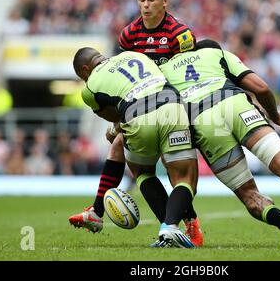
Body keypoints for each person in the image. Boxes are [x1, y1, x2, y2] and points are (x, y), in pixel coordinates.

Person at [157, 39, 280, 247]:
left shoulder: (163, 70)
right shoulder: (216, 54)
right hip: (235, 103)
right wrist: (274, 115)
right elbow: (261, 88)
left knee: (248, 194)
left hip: (203, 120)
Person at [69, 0, 203, 246]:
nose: (145, 5)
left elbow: (189, 75)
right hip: (144, 106)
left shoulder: (181, 34)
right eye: (141, 0)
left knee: (173, 169)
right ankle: (98, 211)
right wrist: (119, 124)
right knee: (119, 146)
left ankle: (188, 224)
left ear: (164, 1)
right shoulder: (129, 34)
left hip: (176, 101)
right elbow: (122, 77)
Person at [72, 47, 198, 248]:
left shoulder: (90, 89)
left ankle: (167, 229)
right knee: (184, 178)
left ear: (85, 69)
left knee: (143, 173)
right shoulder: (135, 55)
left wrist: (113, 131)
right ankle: (179, 227)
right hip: (171, 105)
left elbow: (115, 118)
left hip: (137, 114)